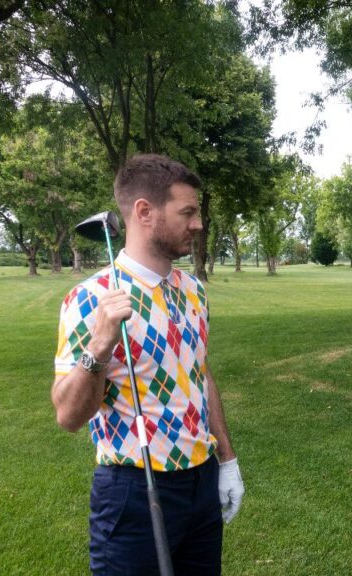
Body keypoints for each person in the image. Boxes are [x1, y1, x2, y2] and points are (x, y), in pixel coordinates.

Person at [52, 154, 244, 575]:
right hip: (134, 492)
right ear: (144, 211)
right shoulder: (90, 298)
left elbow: (200, 374)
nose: (198, 223)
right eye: (188, 212)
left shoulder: (192, 290)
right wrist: (99, 347)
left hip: (201, 482)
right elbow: (68, 415)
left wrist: (226, 461)